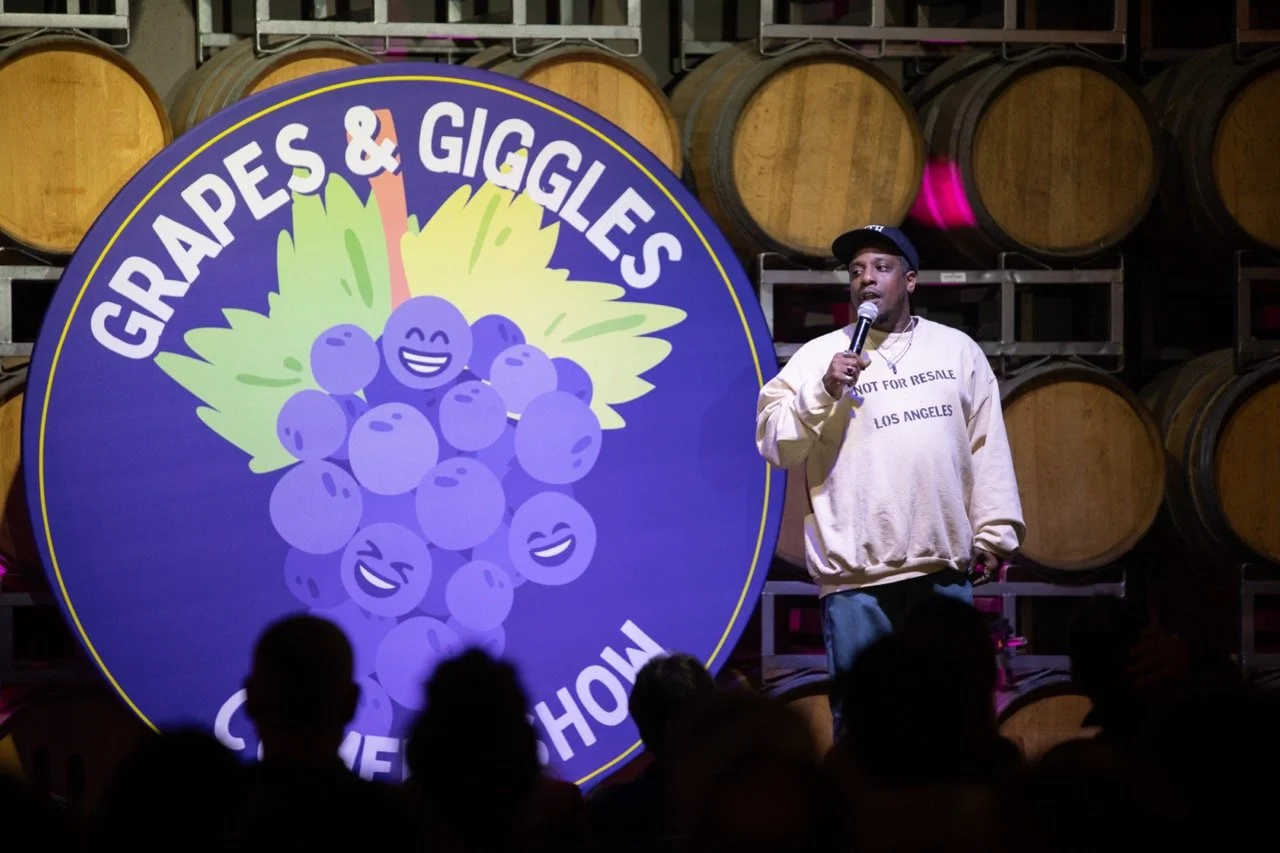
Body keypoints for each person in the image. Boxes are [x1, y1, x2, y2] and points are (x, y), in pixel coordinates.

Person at [755, 224, 1025, 734]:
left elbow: (986, 444)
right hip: (856, 581)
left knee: (952, 721)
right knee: (864, 727)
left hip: (940, 575)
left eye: (881, 267)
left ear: (911, 280)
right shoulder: (820, 357)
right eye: (856, 271)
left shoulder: (956, 350)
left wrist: (994, 533)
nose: (866, 280)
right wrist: (823, 389)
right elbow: (774, 443)